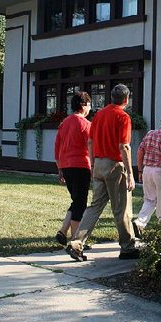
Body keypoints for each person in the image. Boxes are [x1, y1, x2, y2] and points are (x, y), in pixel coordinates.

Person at [67, 84, 138, 262]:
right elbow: (124, 146)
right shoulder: (123, 116)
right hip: (115, 165)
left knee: (94, 206)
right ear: (127, 99)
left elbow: (90, 142)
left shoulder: (99, 115)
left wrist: (93, 164)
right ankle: (127, 248)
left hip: (98, 163)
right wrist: (130, 173)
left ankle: (76, 243)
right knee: (121, 209)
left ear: (111, 97)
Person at [53, 91, 92, 246]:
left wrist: (59, 168)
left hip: (66, 166)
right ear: (83, 105)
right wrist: (95, 163)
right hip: (81, 165)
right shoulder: (85, 124)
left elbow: (57, 147)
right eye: (89, 104)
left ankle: (63, 231)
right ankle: (76, 240)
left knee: (76, 200)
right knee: (80, 203)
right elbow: (91, 146)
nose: (90, 108)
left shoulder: (64, 123)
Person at [133, 113, 161, 238]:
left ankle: (140, 222)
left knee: (149, 200)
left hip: (147, 170)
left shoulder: (150, 133)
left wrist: (140, 170)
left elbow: (140, 151)